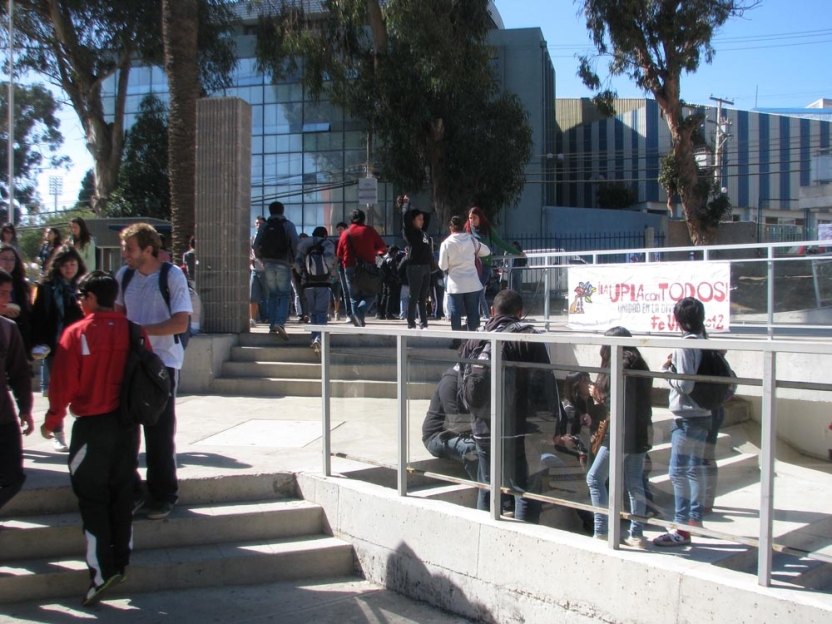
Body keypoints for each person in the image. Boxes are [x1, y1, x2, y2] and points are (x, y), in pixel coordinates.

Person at [41, 271, 143, 606]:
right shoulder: (133, 329)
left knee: (93, 498)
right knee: (122, 493)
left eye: (80, 296)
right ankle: (121, 562)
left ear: (90, 298)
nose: (77, 302)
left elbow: (62, 386)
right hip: (128, 426)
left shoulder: (77, 332)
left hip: (92, 427)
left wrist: (51, 422)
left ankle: (102, 573)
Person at [466, 289, 568, 524]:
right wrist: (556, 420)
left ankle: (485, 532)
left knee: (488, 485)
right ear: (520, 313)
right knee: (525, 489)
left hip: (481, 426)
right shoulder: (528, 337)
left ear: (492, 311)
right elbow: (546, 382)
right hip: (518, 428)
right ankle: (525, 539)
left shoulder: (475, 337)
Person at [116, 223, 192, 520]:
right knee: (124, 430)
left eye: (130, 248)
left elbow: (180, 323)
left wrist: (139, 333)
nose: (125, 254)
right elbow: (117, 316)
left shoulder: (171, 275)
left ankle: (163, 495)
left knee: (159, 432)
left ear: (148, 249)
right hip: (129, 362)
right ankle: (133, 490)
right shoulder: (124, 277)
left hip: (162, 363)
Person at [586, 327, 653, 547]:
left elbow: (616, 401)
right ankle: (636, 534)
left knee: (595, 478)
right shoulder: (639, 364)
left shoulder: (619, 367)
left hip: (619, 433)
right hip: (639, 431)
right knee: (634, 483)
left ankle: (601, 531)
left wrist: (597, 394)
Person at [653, 297, 712, 547]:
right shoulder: (705, 342)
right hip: (704, 414)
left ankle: (680, 527)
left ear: (679, 320)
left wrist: (668, 373)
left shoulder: (685, 345)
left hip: (687, 417)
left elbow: (685, 384)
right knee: (695, 469)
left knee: (677, 472)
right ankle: (694, 520)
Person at [31, 245, 86, 451]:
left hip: (79, 347)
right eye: (65, 265)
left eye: (72, 264)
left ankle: (82, 431)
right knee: (57, 392)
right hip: (55, 346)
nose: (69, 269)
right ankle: (58, 433)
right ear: (58, 266)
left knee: (81, 389)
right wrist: (37, 343)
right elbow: (38, 318)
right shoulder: (47, 288)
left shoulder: (82, 287)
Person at [0, 269, 34, 515]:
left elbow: (20, 372)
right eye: (2, 293)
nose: (6, 298)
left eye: (8, 293)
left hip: (3, 415)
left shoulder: (8, 329)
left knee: (13, 476)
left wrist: (26, 409)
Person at [439, 215, 490, 347]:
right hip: (472, 283)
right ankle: (472, 342)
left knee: (455, 313)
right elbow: (486, 251)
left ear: (450, 227)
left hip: (455, 285)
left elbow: (443, 266)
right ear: (463, 227)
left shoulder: (446, 243)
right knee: (472, 312)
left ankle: (456, 341)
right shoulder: (471, 240)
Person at [464, 207, 524, 317]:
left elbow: (501, 243)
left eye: (474, 218)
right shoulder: (467, 231)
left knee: (478, 290)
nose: (472, 220)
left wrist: (517, 253)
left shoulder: (487, 229)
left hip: (484, 266)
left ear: (480, 218)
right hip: (471, 267)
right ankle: (481, 318)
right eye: (470, 218)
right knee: (476, 292)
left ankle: (485, 317)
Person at [252, 201, 299, 339]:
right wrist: (293, 260)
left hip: (268, 264)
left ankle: (272, 325)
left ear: (270, 211)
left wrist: (262, 259)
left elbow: (255, 245)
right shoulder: (288, 225)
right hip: (284, 263)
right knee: (284, 294)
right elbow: (296, 243)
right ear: (282, 211)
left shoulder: (265, 225)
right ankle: (280, 322)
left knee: (272, 295)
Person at [422, 368, 478, 481]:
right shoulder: (450, 382)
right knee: (471, 448)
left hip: (463, 433)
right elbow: (457, 421)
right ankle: (486, 491)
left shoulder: (472, 380)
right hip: (438, 436)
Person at [336, 208, 386, 327]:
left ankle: (358, 322)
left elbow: (339, 253)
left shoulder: (345, 233)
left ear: (351, 219)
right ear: (364, 218)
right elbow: (382, 246)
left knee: (354, 297)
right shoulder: (369, 230)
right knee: (371, 293)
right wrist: (372, 251)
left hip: (349, 267)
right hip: (367, 267)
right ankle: (358, 315)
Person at [294, 226, 337, 354]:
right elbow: (330, 261)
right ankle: (320, 338)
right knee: (322, 313)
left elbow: (297, 263)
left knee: (313, 313)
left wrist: (304, 275)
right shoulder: (327, 243)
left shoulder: (303, 244)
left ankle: (313, 338)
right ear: (325, 235)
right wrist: (330, 273)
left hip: (308, 284)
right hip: (323, 283)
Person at [0, 243, 34, 358]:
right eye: (4, 259)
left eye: (12, 259)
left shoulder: (22, 285)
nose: (8, 263)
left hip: (18, 335)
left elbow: (28, 312)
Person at [402, 207, 433, 330]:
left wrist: (418, 211)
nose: (422, 221)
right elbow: (406, 219)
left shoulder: (423, 232)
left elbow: (428, 216)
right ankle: (411, 323)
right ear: (413, 221)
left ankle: (423, 323)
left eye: (422, 219)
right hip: (415, 267)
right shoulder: (410, 232)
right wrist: (406, 206)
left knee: (423, 297)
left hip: (426, 267)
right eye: (419, 219)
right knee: (414, 296)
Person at [250, 216, 266, 327]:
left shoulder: (268, 238)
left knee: (271, 296)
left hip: (267, 271)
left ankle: (272, 318)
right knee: (253, 297)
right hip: (255, 270)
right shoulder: (252, 238)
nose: (258, 225)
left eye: (260, 223)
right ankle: (252, 319)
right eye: (256, 223)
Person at [378, 245, 401, 320]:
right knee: (390, 297)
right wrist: (397, 278)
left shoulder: (383, 258)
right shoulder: (391, 259)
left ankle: (381, 313)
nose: (397, 254)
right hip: (391, 280)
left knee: (384, 297)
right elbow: (393, 271)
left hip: (384, 280)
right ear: (394, 252)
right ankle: (389, 313)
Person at [333, 222, 352, 320]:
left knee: (353, 290)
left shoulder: (352, 239)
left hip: (352, 266)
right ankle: (349, 314)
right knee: (345, 292)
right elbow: (337, 256)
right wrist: (334, 270)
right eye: (338, 229)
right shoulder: (337, 241)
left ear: (346, 228)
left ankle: (355, 312)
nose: (339, 231)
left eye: (341, 229)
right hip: (342, 267)